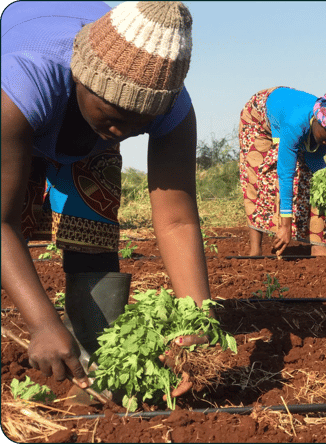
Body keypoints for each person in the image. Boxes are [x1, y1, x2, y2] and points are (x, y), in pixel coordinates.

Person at [1, 1, 211, 397]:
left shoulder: (172, 108)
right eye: (114, 113)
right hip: (21, 111)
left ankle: (94, 370)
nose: (124, 132)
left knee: (93, 221)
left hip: (74, 115)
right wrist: (43, 322)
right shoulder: (22, 83)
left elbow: (177, 220)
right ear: (83, 78)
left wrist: (195, 319)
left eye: (140, 122)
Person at [239, 87, 326, 256]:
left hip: (289, 115)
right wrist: (285, 226)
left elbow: (313, 159)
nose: (325, 143)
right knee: (260, 175)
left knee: (320, 182)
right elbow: (286, 173)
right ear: (317, 119)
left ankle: (318, 246)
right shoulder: (295, 123)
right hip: (259, 116)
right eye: (323, 138)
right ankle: (255, 249)